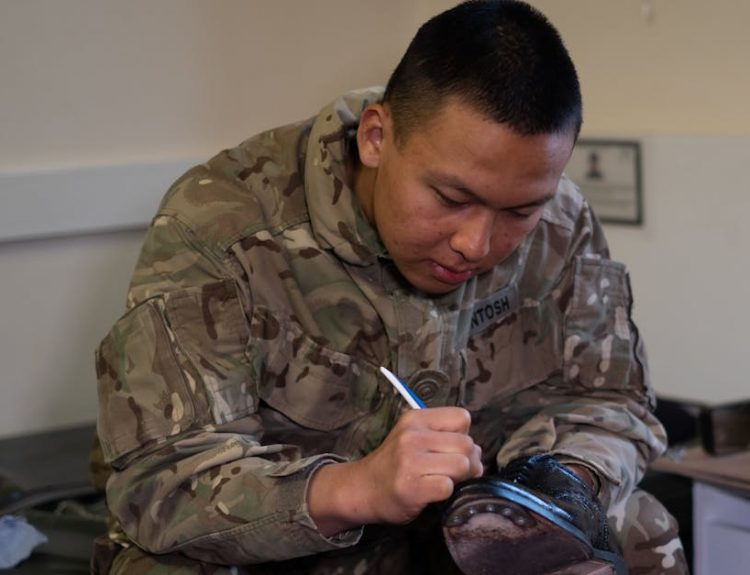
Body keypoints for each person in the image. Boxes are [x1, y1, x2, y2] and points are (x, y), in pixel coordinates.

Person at [91, 1, 688, 573]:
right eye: (452, 199)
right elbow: (159, 481)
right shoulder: (221, 225)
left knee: (637, 526)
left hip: (461, 538)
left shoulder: (562, 221)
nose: (476, 245)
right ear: (376, 138)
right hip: (294, 543)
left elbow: (614, 403)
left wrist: (559, 488)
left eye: (520, 211)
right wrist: (357, 488)